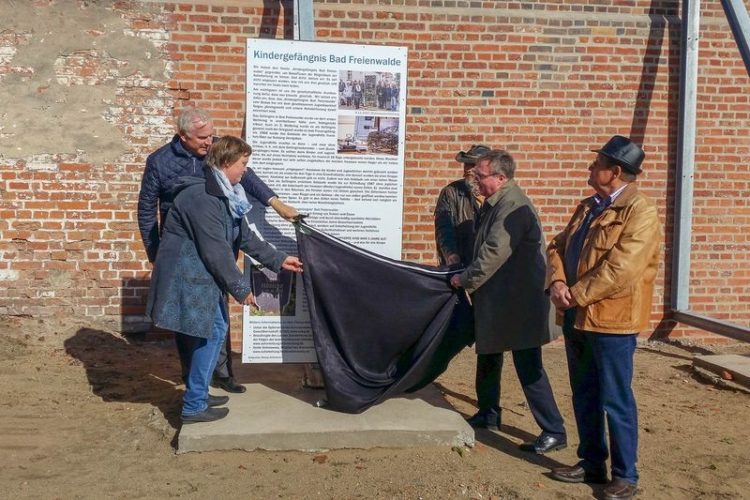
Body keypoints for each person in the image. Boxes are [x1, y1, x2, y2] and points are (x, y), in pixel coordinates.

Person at [138, 107, 299, 394]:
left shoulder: (219, 162)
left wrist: (275, 203)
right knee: (190, 321)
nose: (209, 141)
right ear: (183, 136)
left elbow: (247, 180)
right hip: (186, 249)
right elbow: (147, 211)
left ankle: (221, 374)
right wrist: (156, 255)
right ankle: (195, 386)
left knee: (216, 317)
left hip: (214, 243)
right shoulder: (160, 163)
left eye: (212, 135)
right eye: (202, 137)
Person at [546, 136, 661, 499]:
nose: (590, 169)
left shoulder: (640, 211)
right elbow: (557, 245)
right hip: (578, 317)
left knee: (615, 398)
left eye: (597, 164)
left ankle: (626, 475)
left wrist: (574, 295)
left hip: (612, 321)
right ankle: (592, 461)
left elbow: (622, 269)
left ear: (616, 171)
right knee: (585, 392)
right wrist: (558, 282)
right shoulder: (588, 207)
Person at [449, 150, 567, 454]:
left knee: (529, 366)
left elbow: (493, 251)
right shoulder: (497, 202)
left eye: (481, 175)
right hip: (500, 300)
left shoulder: (512, 205)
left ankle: (554, 430)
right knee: (488, 355)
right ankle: (489, 413)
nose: (475, 180)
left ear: (501, 178)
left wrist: (466, 278)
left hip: (519, 304)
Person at [434, 144, 490, 266]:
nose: (468, 169)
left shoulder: (495, 194)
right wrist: (451, 254)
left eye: (473, 165)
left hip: (487, 265)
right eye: (466, 164)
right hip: (460, 264)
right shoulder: (451, 192)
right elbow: (444, 228)